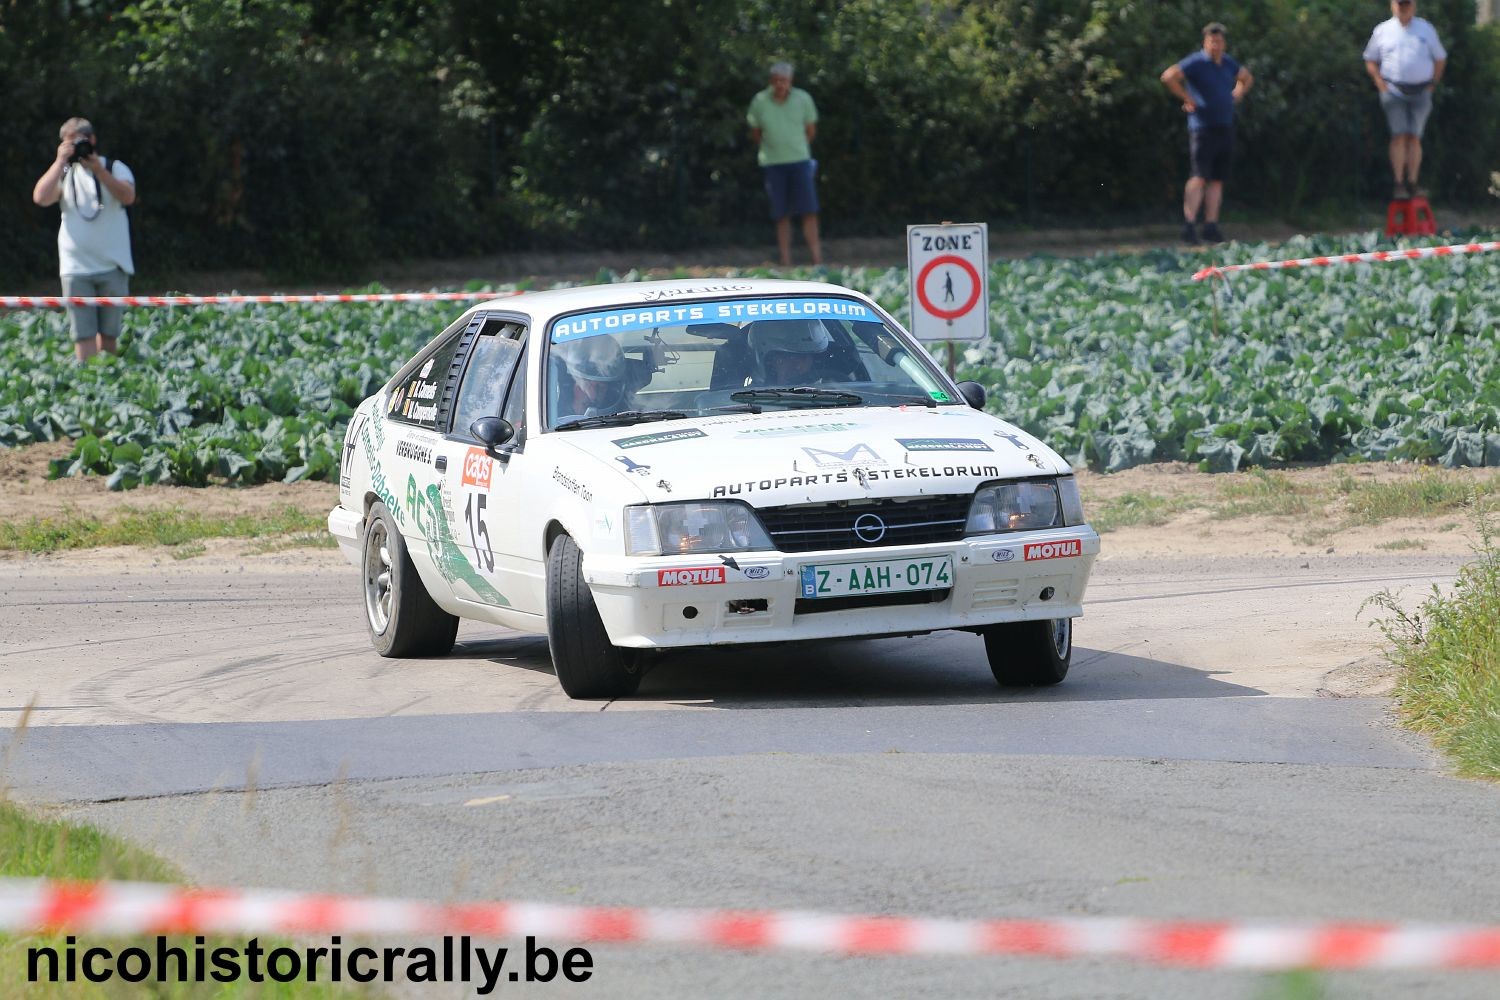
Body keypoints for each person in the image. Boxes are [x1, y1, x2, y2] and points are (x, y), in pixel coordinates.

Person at [31, 117, 137, 363]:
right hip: (75, 268)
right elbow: (40, 197)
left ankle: (109, 380)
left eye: (81, 142)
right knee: (83, 334)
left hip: (113, 265)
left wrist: (99, 170)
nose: (78, 149)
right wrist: (60, 161)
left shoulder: (114, 167)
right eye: (70, 144)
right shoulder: (65, 173)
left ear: (93, 140)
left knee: (109, 334)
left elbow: (128, 196)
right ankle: (88, 387)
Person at [1160, 24, 1253, 245]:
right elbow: (1169, 76)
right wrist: (1186, 98)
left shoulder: (1228, 62)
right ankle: (1189, 224)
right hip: (1202, 128)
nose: (1216, 45)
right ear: (1205, 42)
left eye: (1219, 41)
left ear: (1224, 43)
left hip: (1224, 126)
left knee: (1217, 179)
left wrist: (1237, 93)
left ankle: (1211, 225)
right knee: (1199, 176)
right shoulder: (1196, 62)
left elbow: (1246, 77)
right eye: (1212, 41)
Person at [1364, 0, 1446, 199]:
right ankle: (1398, 184)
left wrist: (1432, 83)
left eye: (1407, 3)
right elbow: (1370, 58)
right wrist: (1379, 82)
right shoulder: (1383, 30)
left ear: (1414, 5)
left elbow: (1440, 58)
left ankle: (1413, 182)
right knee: (1399, 136)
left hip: (1421, 91)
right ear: (1393, 5)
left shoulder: (1426, 29)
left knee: (1414, 137)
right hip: (1393, 91)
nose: (1403, 7)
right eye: (1400, 4)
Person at [746, 62, 822, 267]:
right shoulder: (760, 101)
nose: (781, 85)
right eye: (777, 80)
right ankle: (786, 260)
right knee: (781, 214)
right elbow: (756, 131)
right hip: (773, 164)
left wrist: (796, 147)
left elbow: (810, 131)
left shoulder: (803, 98)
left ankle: (817, 260)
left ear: (791, 81)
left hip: (800, 162)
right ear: (771, 81)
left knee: (809, 211)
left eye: (785, 81)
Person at [555, 337, 631, 420]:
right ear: (569, 387)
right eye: (586, 385)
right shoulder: (550, 422)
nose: (592, 395)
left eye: (600, 387)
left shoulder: (624, 418)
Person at [748, 320, 833, 386]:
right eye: (788, 357)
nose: (798, 366)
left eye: (804, 357)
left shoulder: (835, 389)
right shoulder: (744, 400)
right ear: (768, 361)